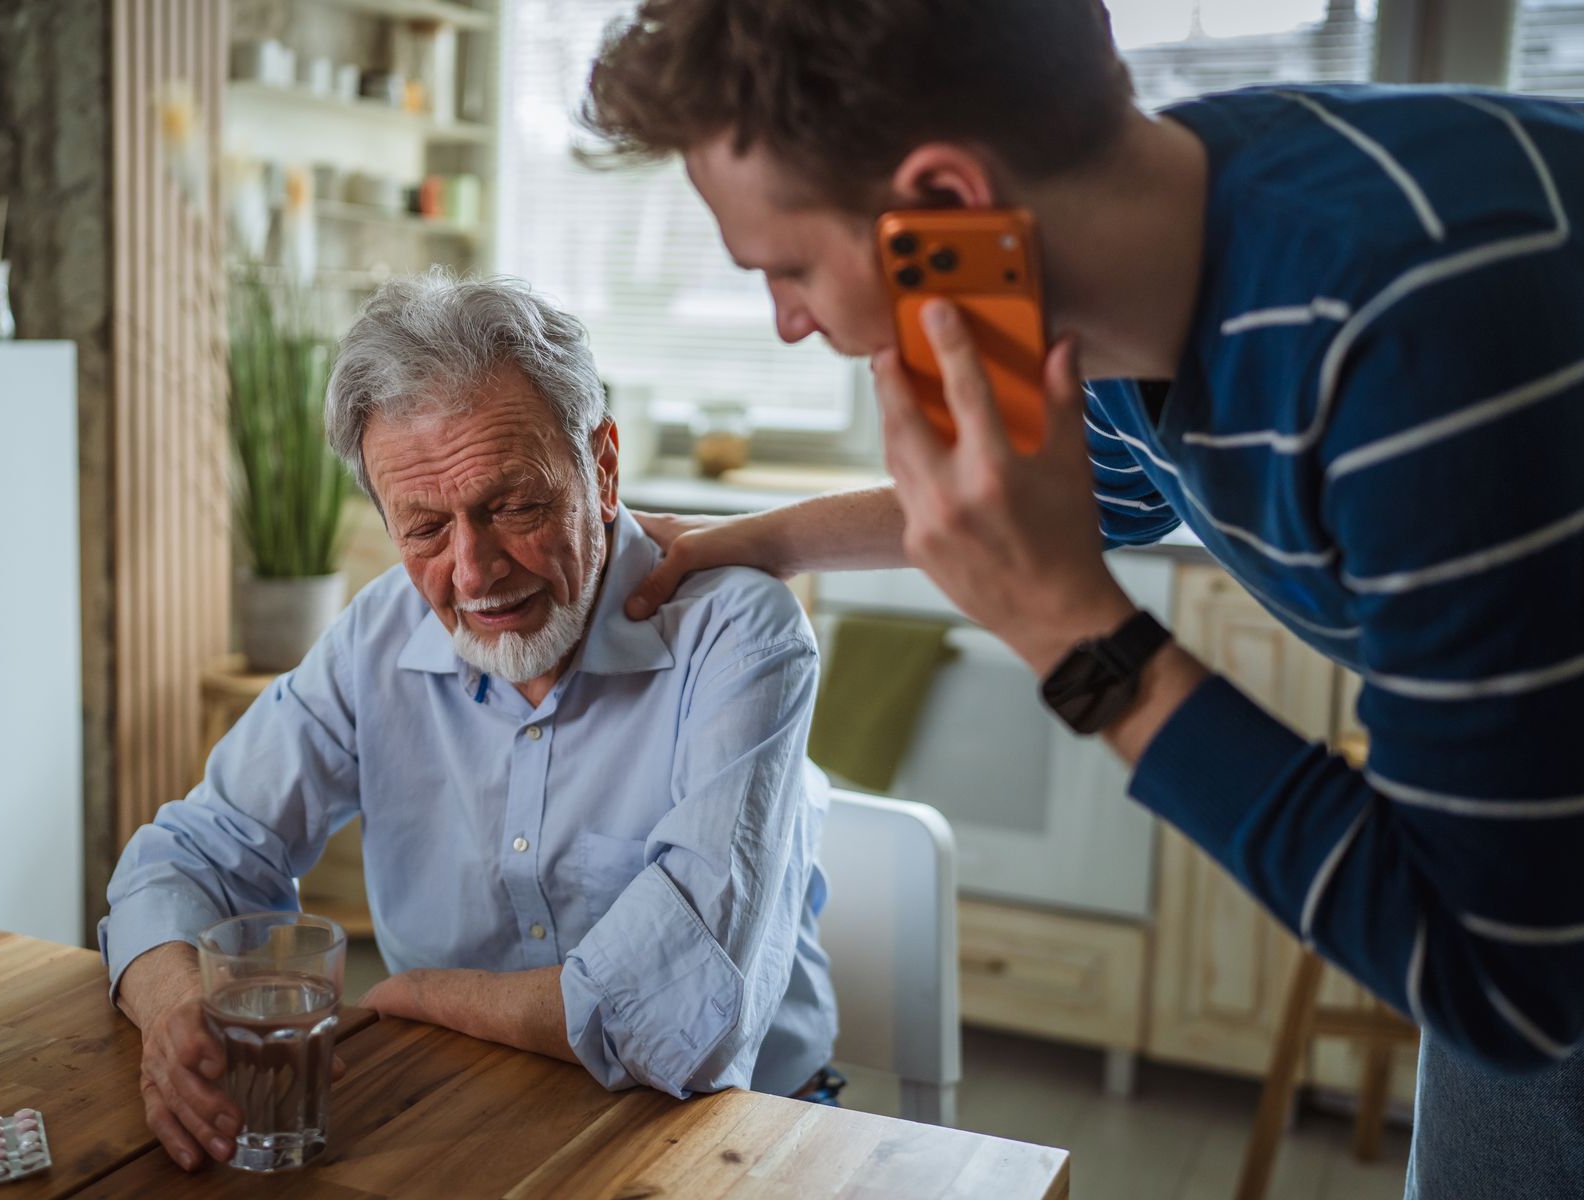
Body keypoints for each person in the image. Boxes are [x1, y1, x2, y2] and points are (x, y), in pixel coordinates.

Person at [581, 2, 1584, 1195]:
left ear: (947, 208)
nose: (789, 322)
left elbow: (1505, 980)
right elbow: (1074, 501)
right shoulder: (1134, 273)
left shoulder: (1407, 331)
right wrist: (767, 540)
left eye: (788, 268)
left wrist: (1073, 635)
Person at [99, 273, 837, 1172]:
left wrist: (422, 996)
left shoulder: (738, 631)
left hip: (737, 1137)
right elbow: (187, 855)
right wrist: (173, 1000)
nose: (474, 570)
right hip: (457, 1108)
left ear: (601, 468)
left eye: (514, 507)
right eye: (423, 529)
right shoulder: (380, 633)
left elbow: (683, 1016)